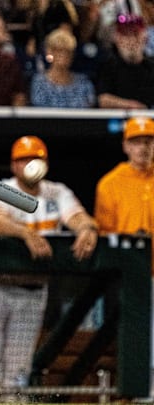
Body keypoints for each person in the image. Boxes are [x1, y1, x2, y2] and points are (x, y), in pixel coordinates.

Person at [0, 135, 99, 402]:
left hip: (33, 289)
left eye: (36, 158)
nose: (30, 163)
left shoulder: (56, 192)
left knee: (17, 375)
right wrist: (24, 233)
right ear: (14, 165)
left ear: (46, 163)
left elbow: (77, 216)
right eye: (24, 159)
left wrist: (87, 228)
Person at [94, 116, 154, 400]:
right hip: (128, 279)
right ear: (125, 145)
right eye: (137, 141)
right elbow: (106, 235)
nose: (144, 148)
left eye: (149, 141)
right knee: (134, 343)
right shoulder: (110, 183)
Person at [96, 14, 154, 109]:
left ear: (144, 37)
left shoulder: (151, 66)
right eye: (125, 35)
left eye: (135, 34)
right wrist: (132, 106)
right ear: (117, 38)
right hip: (117, 122)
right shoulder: (109, 65)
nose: (131, 40)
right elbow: (103, 99)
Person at [30, 27, 96, 108]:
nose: (63, 55)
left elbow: (89, 107)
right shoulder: (39, 82)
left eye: (68, 51)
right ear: (49, 52)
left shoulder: (84, 83)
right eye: (58, 50)